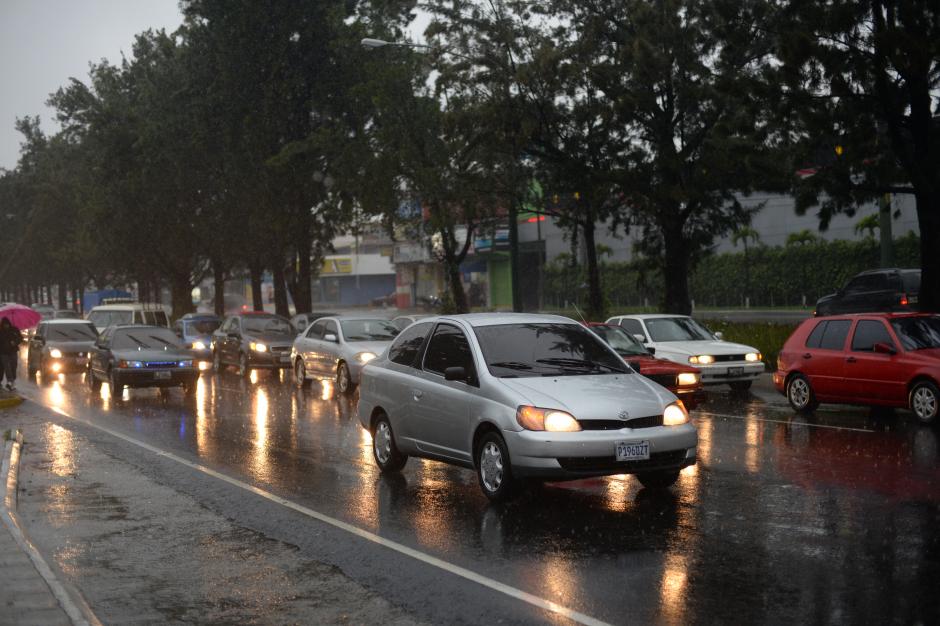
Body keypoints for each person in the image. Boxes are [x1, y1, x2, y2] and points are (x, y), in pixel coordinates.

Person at [0, 317, 23, 391]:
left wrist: (15, 342)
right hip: (3, 352)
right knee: (7, 367)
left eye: (7, 324)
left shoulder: (14, 330)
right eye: (4, 324)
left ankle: (12, 380)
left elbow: (20, 338)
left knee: (14, 365)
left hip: (13, 351)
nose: (6, 326)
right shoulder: (1, 331)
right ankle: (10, 381)